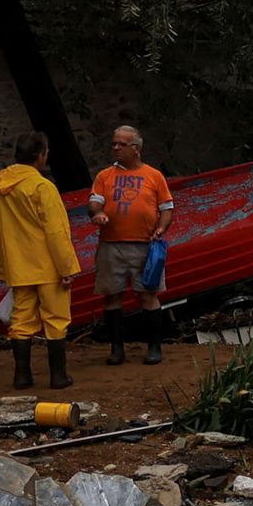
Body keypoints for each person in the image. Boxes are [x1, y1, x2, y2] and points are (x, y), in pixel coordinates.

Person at [0, 131, 77, 390]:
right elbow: (56, 232)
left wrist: (3, 267)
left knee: (21, 320)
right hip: (48, 265)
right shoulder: (42, 187)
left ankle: (22, 376)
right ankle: (58, 376)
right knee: (56, 319)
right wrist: (66, 267)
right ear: (41, 156)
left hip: (18, 266)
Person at [90, 124, 174, 364]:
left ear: (136, 149)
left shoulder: (154, 175)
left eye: (121, 144)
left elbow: (166, 208)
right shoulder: (105, 176)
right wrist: (97, 214)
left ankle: (154, 348)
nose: (115, 148)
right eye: (114, 143)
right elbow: (94, 203)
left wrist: (161, 227)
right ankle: (117, 349)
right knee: (112, 295)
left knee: (148, 295)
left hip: (145, 245)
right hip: (111, 245)